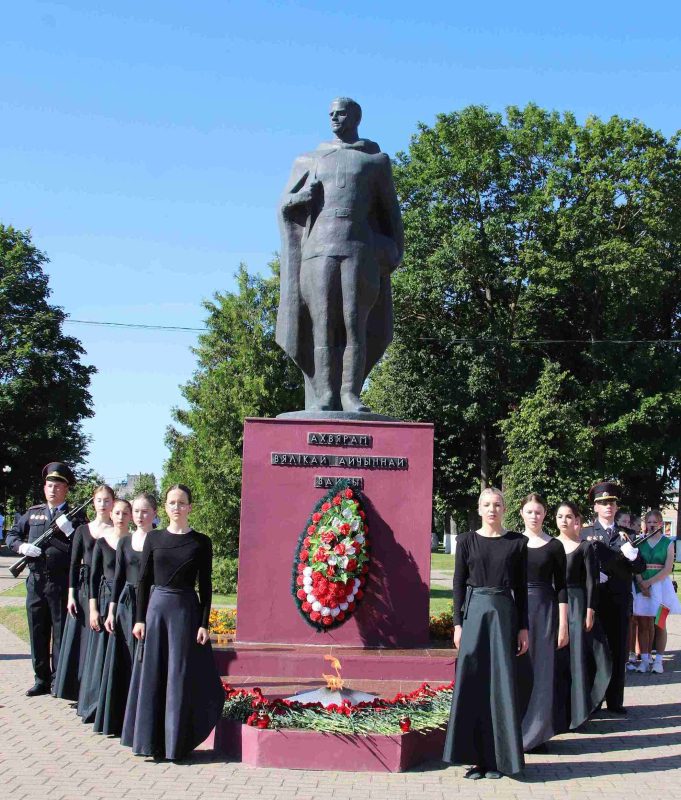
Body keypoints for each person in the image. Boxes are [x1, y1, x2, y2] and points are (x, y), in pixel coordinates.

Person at [277, 97, 404, 413]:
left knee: (353, 322)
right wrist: (302, 196)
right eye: (331, 113)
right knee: (322, 323)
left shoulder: (374, 161)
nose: (335, 117)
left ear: (356, 117)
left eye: (341, 113)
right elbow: (285, 206)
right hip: (318, 251)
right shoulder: (310, 159)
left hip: (359, 249)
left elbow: (392, 216)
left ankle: (350, 394)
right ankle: (326, 394)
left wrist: (389, 253)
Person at [121, 484, 224, 760]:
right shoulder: (154, 539)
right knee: (154, 674)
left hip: (185, 614)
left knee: (178, 675)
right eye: (171, 503)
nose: (176, 507)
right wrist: (139, 619)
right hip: (156, 614)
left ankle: (175, 743)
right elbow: (143, 582)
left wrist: (204, 623)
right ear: (164, 507)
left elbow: (206, 585)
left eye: (181, 503)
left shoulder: (201, 542)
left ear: (190, 507)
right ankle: (150, 742)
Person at [443, 487, 529, 779]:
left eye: (497, 504)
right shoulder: (466, 541)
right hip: (475, 616)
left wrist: (523, 627)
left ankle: (500, 761)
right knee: (474, 684)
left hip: (504, 616)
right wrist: (457, 624)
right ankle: (476, 759)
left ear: (505, 509)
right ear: (479, 509)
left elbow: (522, 589)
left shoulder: (517, 543)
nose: (492, 509)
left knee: (501, 686)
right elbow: (457, 585)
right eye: (487, 505)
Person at [6, 462, 86, 696]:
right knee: (37, 630)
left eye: (58, 486)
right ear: (44, 488)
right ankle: (40, 679)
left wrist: (71, 530)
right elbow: (12, 535)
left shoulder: (76, 516)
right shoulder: (33, 513)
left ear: (66, 490)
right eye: (49, 485)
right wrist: (22, 547)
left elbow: (85, 546)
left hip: (60, 582)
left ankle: (58, 680)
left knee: (60, 633)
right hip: (36, 582)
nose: (53, 490)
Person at [94, 493, 156, 735]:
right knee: (124, 661)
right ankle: (119, 719)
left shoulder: (159, 540)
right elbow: (118, 578)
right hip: (124, 606)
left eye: (144, 511)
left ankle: (140, 719)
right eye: (137, 511)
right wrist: (110, 612)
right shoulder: (125, 542)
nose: (140, 516)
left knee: (143, 660)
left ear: (154, 513)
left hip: (149, 604)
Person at [581, 481, 645, 714]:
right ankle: (593, 701)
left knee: (618, 651)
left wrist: (632, 556)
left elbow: (640, 568)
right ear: (595, 507)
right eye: (603, 503)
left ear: (617, 506)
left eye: (612, 502)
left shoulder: (628, 535)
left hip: (619, 602)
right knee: (594, 652)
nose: (608, 506)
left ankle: (615, 701)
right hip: (594, 602)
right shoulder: (585, 534)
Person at [516, 494, 568, 751]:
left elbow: (562, 588)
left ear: (545, 514)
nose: (534, 516)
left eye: (538, 512)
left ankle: (538, 735)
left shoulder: (554, 546)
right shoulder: (513, 543)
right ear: (522, 513)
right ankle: (516, 731)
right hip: (517, 610)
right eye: (529, 511)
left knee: (543, 671)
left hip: (546, 610)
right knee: (520, 669)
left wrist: (564, 624)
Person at [54, 484, 114, 700]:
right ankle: (75, 689)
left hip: (104, 590)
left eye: (107, 500)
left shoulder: (115, 531)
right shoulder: (82, 530)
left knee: (96, 638)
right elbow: (73, 563)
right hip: (82, 589)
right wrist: (70, 595)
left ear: (113, 503)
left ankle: (93, 690)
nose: (103, 505)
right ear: (94, 502)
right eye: (99, 500)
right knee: (79, 640)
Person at [556, 502, 611, 729]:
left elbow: (592, 581)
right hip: (555, 605)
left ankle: (578, 712)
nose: (564, 520)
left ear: (576, 520)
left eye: (569, 516)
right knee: (559, 660)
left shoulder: (584, 547)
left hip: (578, 604)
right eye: (560, 516)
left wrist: (590, 610)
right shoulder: (550, 545)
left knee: (578, 656)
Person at [77, 498, 131, 722]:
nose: (120, 517)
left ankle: (119, 706)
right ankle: (96, 704)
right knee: (100, 655)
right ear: (112, 514)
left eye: (125, 513)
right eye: (117, 513)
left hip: (127, 603)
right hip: (103, 600)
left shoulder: (135, 542)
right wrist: (93, 610)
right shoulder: (101, 543)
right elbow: (92, 577)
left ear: (130, 517)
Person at [631, 510, 681, 674]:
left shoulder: (668, 543)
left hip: (661, 588)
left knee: (660, 624)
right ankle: (644, 660)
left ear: (660, 524)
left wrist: (650, 583)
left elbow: (667, 568)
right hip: (642, 586)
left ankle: (658, 660)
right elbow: (634, 564)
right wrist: (641, 583)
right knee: (644, 624)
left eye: (655, 522)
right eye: (649, 522)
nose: (652, 525)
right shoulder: (639, 543)